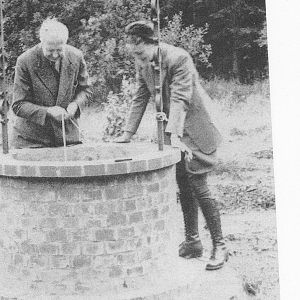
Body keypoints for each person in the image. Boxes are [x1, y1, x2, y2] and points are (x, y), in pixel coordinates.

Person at [116, 20, 228, 270]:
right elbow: (141, 95)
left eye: (140, 52)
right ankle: (193, 241)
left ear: (151, 44)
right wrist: (127, 133)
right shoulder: (143, 60)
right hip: (173, 132)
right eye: (134, 55)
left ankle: (220, 245)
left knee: (198, 184)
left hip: (194, 128)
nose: (139, 59)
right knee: (182, 184)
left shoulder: (179, 58)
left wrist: (174, 135)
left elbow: (180, 99)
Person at [11, 18, 92, 148]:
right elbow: (18, 105)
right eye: (50, 50)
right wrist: (47, 111)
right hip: (32, 141)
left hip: (67, 138)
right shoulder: (25, 61)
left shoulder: (76, 56)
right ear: (41, 42)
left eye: (59, 50)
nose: (55, 55)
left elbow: (86, 90)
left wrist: (75, 105)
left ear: (65, 43)